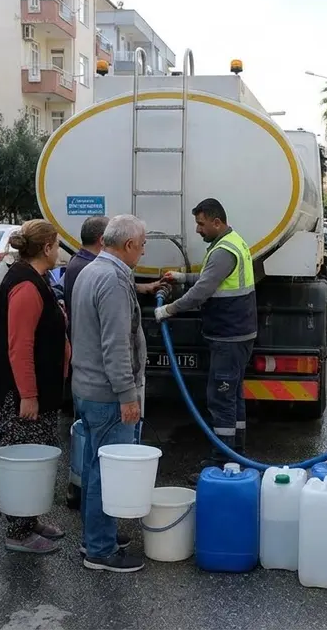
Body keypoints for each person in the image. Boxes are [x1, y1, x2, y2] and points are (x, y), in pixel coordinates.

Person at [155, 199, 257, 481]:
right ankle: (237, 452)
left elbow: (202, 292)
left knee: (221, 398)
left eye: (201, 224)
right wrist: (182, 277)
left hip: (229, 334)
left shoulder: (224, 250)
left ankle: (222, 460)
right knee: (233, 396)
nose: (198, 230)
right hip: (239, 332)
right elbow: (212, 278)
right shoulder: (232, 242)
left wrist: (168, 310)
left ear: (216, 222)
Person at [70, 214, 149, 574]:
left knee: (93, 467)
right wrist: (127, 395)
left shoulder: (90, 269)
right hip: (107, 394)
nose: (143, 251)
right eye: (143, 245)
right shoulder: (114, 281)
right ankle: (100, 551)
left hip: (87, 388)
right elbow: (116, 345)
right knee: (107, 472)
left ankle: (95, 536)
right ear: (129, 245)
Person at [0, 220, 71, 554]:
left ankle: (30, 519)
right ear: (47, 247)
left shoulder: (37, 278)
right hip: (19, 393)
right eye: (58, 244)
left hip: (38, 390)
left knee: (36, 456)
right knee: (24, 461)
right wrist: (29, 396)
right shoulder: (25, 284)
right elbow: (19, 347)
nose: (60, 250)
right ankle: (18, 532)